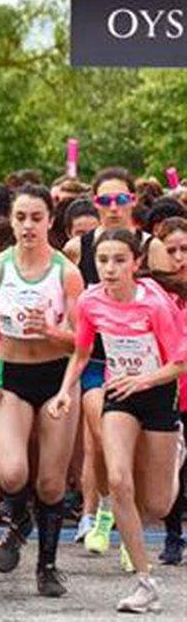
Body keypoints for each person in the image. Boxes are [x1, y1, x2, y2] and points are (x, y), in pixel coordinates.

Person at [49, 228, 185, 613]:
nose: (109, 269)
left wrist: (143, 378)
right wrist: (64, 392)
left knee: (158, 504)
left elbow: (180, 362)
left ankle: (177, 450)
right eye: (103, 261)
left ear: (136, 264)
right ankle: (144, 582)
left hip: (158, 393)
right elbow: (81, 353)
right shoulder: (91, 302)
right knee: (119, 480)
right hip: (118, 395)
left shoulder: (155, 305)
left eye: (119, 260)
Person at [0, 184, 84, 597]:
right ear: (10, 222)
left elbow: (82, 342)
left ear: (51, 220)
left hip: (57, 380)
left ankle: (47, 566)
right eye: (20, 218)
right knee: (12, 471)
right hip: (11, 375)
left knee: (51, 484)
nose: (28, 226)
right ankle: (19, 521)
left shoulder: (66, 272)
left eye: (36, 217)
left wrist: (50, 330)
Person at [62, 169, 173, 557]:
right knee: (100, 435)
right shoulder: (78, 248)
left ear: (132, 201)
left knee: (141, 452)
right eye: (104, 201)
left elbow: (172, 296)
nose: (112, 208)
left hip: (147, 363)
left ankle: (133, 521)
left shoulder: (151, 247)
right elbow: (69, 301)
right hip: (97, 361)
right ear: (94, 203)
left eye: (120, 199)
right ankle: (99, 513)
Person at [155, 217, 187, 566]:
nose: (179, 257)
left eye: (184, 249)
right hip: (170, 390)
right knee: (171, 468)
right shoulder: (157, 295)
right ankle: (173, 535)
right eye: (172, 250)